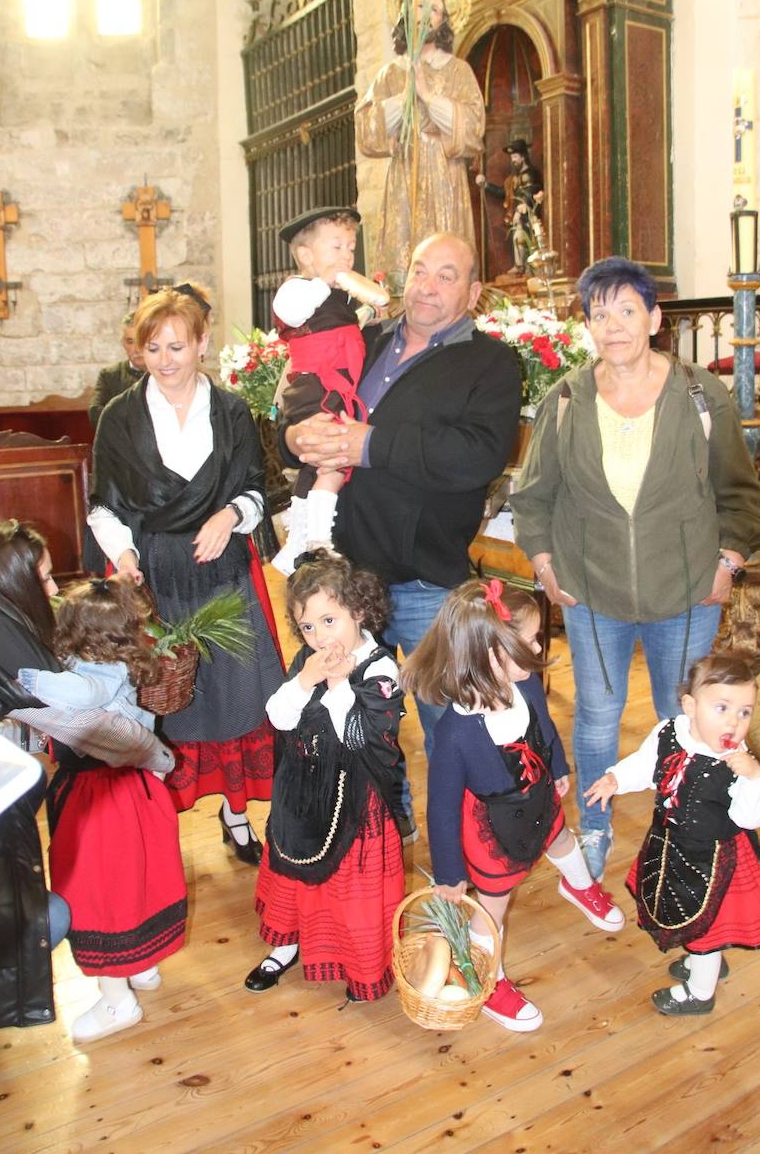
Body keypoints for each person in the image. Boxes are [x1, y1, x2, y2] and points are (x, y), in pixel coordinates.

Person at [509, 255, 760, 882]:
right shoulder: (566, 398)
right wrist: (545, 565)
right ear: (589, 325)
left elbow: (741, 494)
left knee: (682, 718)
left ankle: (679, 824)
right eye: (600, 314)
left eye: (627, 310)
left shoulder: (700, 393)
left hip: (684, 591)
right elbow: (533, 494)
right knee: (597, 714)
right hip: (590, 588)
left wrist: (728, 561)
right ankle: (595, 827)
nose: (614, 325)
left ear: (654, 318)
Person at [282, 232, 522, 785]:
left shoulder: (489, 364)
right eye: (420, 271)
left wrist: (371, 445)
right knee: (350, 726)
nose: (428, 287)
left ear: (474, 291)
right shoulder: (357, 338)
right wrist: (295, 438)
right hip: (340, 581)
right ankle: (379, 839)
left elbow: (476, 456)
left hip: (424, 584)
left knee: (450, 725)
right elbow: (298, 399)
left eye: (447, 276)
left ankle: (461, 851)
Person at [0, 520, 172, 1072]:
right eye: (42, 579)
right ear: (9, 581)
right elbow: (93, 728)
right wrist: (157, 757)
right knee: (57, 909)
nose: (51, 591)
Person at [87, 280, 284, 859]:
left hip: (222, 571)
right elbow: (104, 504)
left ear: (201, 343)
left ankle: (237, 814)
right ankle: (157, 828)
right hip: (156, 582)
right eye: (153, 349)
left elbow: (257, 489)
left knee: (236, 698)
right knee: (166, 710)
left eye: (177, 346)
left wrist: (229, 515)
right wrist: (124, 555)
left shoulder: (232, 412)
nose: (166, 361)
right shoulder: (118, 419)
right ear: (138, 353)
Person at [402, 579, 624, 1034]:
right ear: (491, 655)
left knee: (560, 836)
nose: (539, 645)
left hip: (538, 794)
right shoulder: (455, 734)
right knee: (493, 905)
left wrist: (558, 765)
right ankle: (487, 979)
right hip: (493, 825)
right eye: (530, 640)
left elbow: (542, 728)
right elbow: (440, 809)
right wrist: (448, 873)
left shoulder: (525, 687)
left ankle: (579, 886)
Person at [17, 575, 186, 1043]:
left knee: (99, 894)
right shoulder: (117, 661)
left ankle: (117, 1000)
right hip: (135, 794)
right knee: (137, 880)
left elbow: (80, 697)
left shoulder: (93, 674)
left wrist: (25, 679)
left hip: (100, 800)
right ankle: (143, 965)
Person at [245, 550, 405, 1003]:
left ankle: (361, 961)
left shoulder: (381, 670)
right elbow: (277, 717)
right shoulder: (307, 660)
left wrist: (337, 685)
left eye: (329, 621)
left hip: (354, 801)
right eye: (308, 626)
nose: (319, 636)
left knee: (349, 889)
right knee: (292, 870)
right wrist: (303, 682)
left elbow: (358, 737)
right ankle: (287, 943)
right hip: (300, 791)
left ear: (358, 610)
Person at [586, 651, 760, 1015]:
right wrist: (616, 778)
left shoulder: (738, 761)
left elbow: (752, 817)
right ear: (690, 706)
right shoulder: (669, 732)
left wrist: (754, 777)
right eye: (722, 707)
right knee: (683, 910)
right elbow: (646, 765)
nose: (734, 722)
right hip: (669, 845)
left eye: (745, 712)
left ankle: (699, 994)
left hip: (713, 859)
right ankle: (705, 962)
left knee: (707, 925)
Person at [271, 206, 389, 574]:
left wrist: (367, 312)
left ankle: (296, 544)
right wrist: (326, 281)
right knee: (335, 459)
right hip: (316, 387)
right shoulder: (296, 289)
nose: (347, 257)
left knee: (321, 465)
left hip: (338, 386)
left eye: (351, 249)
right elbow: (292, 315)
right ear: (306, 255)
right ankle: (317, 542)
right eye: (336, 247)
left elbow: (344, 327)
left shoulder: (337, 298)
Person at [355, 0, 485, 288]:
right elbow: (366, 130)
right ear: (404, 17)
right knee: (403, 261)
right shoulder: (390, 74)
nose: (425, 15)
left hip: (444, 175)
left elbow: (474, 128)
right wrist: (404, 99)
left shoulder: (457, 71)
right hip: (404, 173)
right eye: (417, 8)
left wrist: (427, 96)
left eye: (434, 10)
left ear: (442, 22)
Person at [475, 138, 545, 274]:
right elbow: (504, 193)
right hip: (516, 217)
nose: (512, 160)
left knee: (520, 238)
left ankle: (523, 267)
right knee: (516, 238)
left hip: (528, 218)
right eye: (512, 157)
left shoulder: (530, 174)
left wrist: (521, 209)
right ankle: (520, 266)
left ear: (523, 156)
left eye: (515, 157)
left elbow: (530, 193)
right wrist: (486, 185)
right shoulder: (513, 178)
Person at [88, 312, 146, 428]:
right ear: (122, 343)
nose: (136, 349)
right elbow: (95, 413)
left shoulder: (165, 373)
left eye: (141, 340)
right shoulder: (109, 375)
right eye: (130, 342)